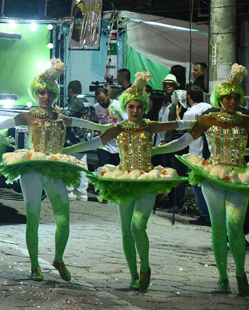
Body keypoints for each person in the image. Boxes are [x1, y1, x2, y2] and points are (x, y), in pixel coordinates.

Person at [0, 59, 109, 281]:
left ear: (54, 95)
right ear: (36, 94)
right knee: (33, 216)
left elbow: (87, 125)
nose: (46, 97)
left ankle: (58, 258)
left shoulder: (61, 117)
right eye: (42, 93)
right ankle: (34, 265)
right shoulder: (28, 116)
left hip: (55, 167)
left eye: (50, 93)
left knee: (63, 217)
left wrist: (105, 128)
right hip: (31, 167)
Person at [64, 72, 194, 291]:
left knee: (137, 225)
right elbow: (94, 141)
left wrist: (200, 123)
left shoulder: (150, 126)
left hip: (145, 180)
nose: (135, 111)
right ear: (126, 107)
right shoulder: (119, 128)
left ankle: (145, 267)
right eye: (131, 107)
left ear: (145, 108)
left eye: (139, 107)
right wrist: (67, 150)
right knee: (126, 230)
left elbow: (178, 125)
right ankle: (133, 274)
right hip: (123, 179)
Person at [166, 64, 249, 295]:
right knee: (218, 227)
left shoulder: (246, 120)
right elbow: (184, 141)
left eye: (235, 97)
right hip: (213, 175)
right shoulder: (208, 119)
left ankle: (241, 275)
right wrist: (158, 151)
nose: (232, 101)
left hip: (240, 175)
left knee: (235, 226)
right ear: (219, 98)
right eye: (227, 97)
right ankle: (223, 277)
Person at [178, 86, 212, 226]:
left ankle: (205, 216)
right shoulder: (210, 108)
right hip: (209, 154)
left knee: (197, 187)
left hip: (194, 155)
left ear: (189, 97)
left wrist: (178, 115)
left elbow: (184, 132)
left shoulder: (189, 113)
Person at [63, 80, 92, 201]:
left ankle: (69, 191)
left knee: (70, 164)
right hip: (84, 137)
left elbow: (65, 114)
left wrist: (59, 110)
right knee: (82, 165)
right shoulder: (87, 102)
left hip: (74, 138)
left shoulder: (76, 102)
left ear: (70, 90)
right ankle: (82, 192)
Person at [92, 87, 120, 166]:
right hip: (102, 145)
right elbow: (95, 122)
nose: (101, 102)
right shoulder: (96, 107)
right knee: (104, 169)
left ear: (108, 95)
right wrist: (96, 132)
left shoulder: (118, 105)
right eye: (98, 100)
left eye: (103, 100)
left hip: (117, 146)